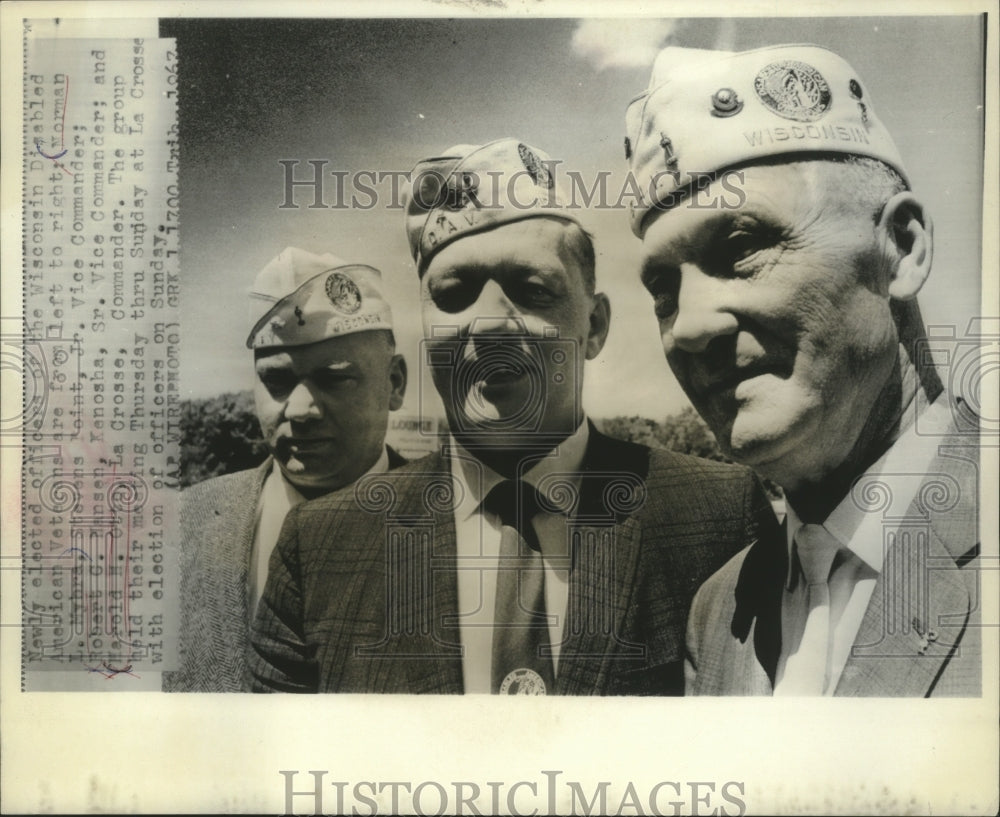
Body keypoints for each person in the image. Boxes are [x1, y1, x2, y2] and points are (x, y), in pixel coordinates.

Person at [250, 138, 779, 694]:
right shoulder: (321, 546)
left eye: (531, 290)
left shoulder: (716, 515)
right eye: (453, 294)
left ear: (594, 326)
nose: (489, 324)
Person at [624, 44, 980, 695]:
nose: (691, 326)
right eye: (664, 290)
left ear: (900, 249)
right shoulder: (719, 609)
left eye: (741, 245)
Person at [164, 247, 408, 691]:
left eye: (335, 379)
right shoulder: (179, 528)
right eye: (277, 382)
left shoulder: (464, 529)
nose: (300, 409)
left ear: (394, 383)